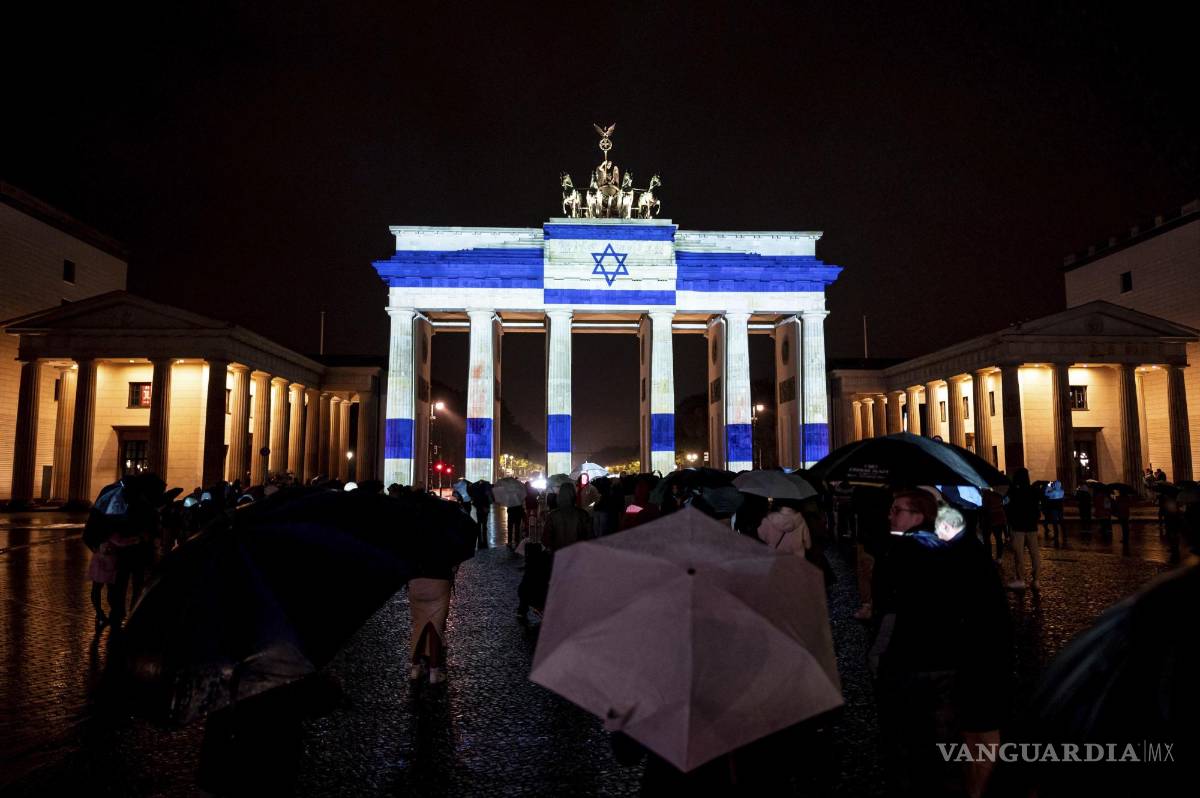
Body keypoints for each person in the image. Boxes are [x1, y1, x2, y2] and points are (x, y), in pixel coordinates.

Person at [870, 490, 1012, 797]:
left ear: (920, 514)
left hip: (925, 661)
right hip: (957, 659)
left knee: (925, 746)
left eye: (897, 509)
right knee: (953, 743)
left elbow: (888, 607)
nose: (889, 515)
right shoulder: (963, 547)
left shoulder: (904, 551)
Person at [1004, 468, 1041, 591]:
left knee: (1019, 554)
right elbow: (1037, 508)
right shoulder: (1033, 491)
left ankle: (1021, 579)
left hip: (1018, 526)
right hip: (1031, 526)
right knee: (1034, 553)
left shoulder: (1013, 491)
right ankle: (1036, 580)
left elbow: (1007, 507)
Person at [1042, 480, 1065, 546]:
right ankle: (1064, 536)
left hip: (1054, 508)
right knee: (1061, 522)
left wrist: (1048, 487)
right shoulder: (1062, 491)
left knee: (1055, 523)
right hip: (1060, 509)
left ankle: (1056, 536)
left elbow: (1046, 494)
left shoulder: (1053, 492)